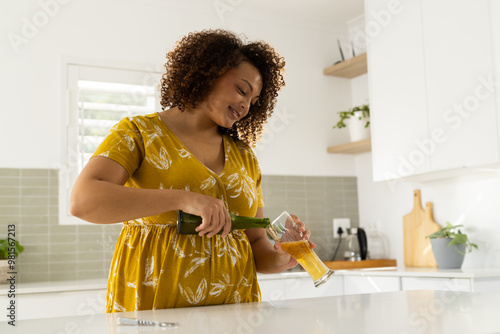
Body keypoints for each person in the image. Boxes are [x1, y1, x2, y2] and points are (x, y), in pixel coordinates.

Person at [69, 29, 315, 312]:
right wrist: (184, 199)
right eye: (242, 90)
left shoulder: (245, 156)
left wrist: (281, 258)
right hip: (156, 308)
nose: (246, 105)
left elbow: (256, 244)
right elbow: (82, 202)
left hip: (236, 312)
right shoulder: (138, 133)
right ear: (209, 72)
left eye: (254, 101)